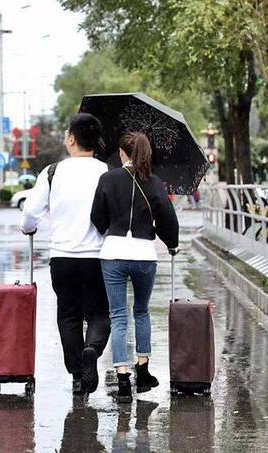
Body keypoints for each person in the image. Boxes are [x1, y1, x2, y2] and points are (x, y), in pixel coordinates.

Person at [21, 113, 111, 395]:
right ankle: (92, 351)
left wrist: (29, 228)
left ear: (72, 139)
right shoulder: (107, 172)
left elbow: (30, 214)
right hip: (98, 256)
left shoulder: (52, 172)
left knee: (68, 314)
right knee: (99, 313)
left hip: (62, 257)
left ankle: (76, 375)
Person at [91, 131, 179, 403]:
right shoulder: (154, 183)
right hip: (144, 255)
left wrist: (110, 228)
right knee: (141, 312)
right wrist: (171, 243)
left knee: (118, 316)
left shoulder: (107, 179)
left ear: (121, 152)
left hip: (114, 252)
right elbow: (168, 220)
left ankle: (122, 377)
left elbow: (97, 216)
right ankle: (143, 370)